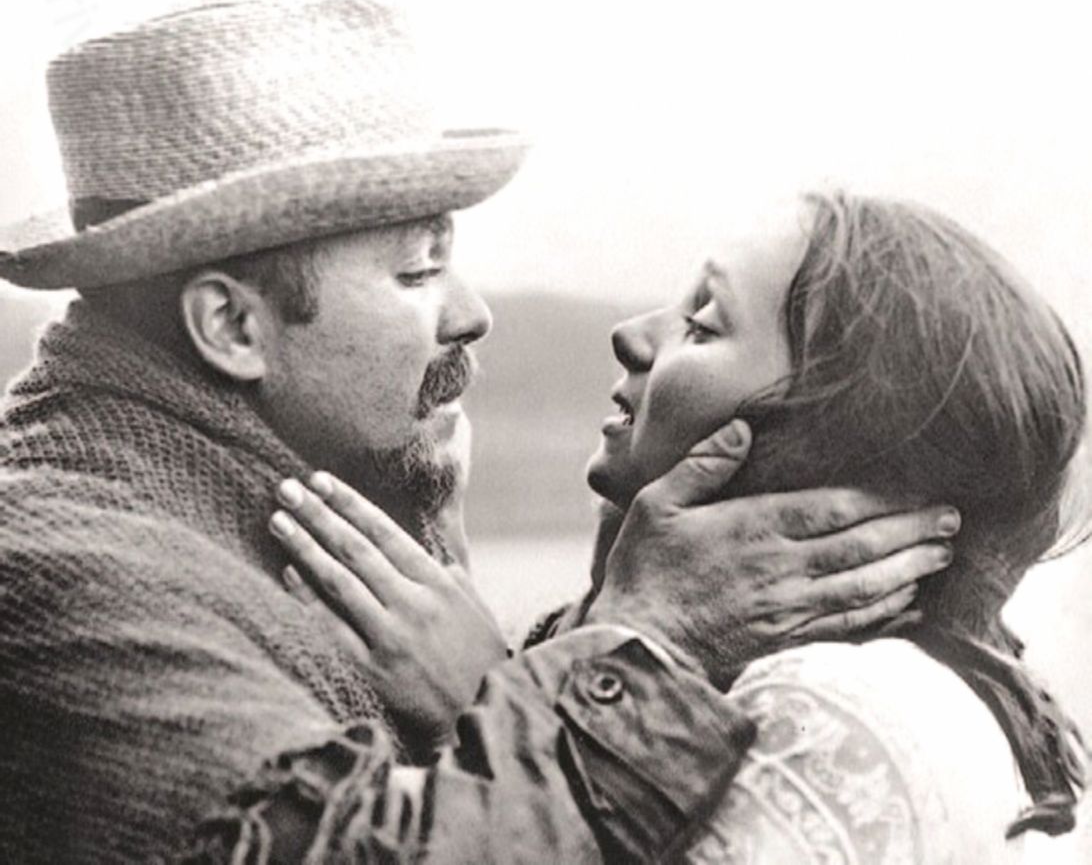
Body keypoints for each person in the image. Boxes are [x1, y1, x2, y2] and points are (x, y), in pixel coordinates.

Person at [0, 0, 957, 862]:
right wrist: (649, 632)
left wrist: (535, 660)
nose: (470, 314)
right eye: (419, 271)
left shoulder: (271, 496)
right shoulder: (60, 564)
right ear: (232, 327)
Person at [251, 193, 1088, 862]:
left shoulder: (837, 711)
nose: (631, 334)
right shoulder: (870, 681)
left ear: (817, 455)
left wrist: (495, 693)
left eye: (702, 324)